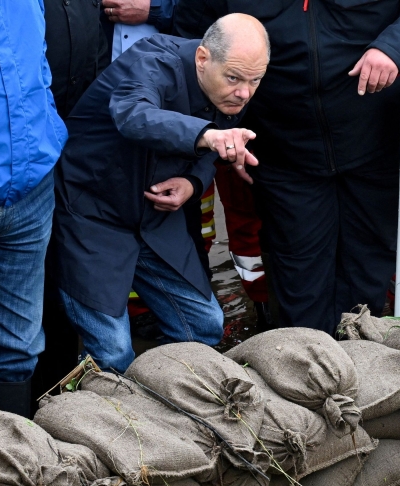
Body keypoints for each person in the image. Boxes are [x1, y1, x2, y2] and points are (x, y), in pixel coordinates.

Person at [175, 0, 400, 335]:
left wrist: (393, 49)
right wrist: (227, 129)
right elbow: (194, 42)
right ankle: (308, 370)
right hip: (282, 151)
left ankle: (364, 361)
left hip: (374, 142)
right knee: (298, 277)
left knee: (366, 272)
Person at [53, 14, 269, 372]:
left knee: (205, 325)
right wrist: (208, 136)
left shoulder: (233, 85)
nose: (244, 93)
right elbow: (133, 114)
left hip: (154, 215)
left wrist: (193, 182)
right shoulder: (152, 60)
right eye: (234, 78)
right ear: (202, 59)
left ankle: (170, 402)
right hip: (91, 213)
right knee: (114, 352)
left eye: (254, 80)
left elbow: (214, 144)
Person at [0, 0, 68, 416]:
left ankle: (8, 469)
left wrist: (44, 130)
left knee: (17, 348)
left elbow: (34, 56)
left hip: (29, 190)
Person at [35, 0, 113, 405]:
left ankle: (59, 396)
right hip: (21, 152)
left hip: (74, 148)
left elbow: (97, 54)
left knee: (64, 269)